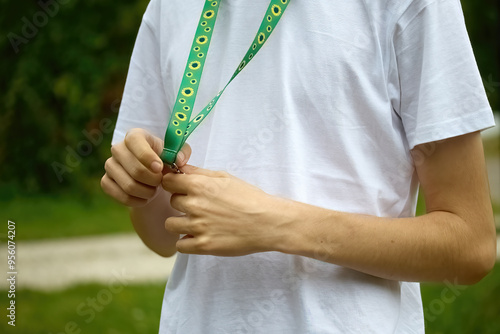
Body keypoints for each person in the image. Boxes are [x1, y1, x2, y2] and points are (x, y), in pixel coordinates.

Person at [101, 0, 497, 332]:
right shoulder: (169, 6)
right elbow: (162, 238)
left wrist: (275, 225)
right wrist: (142, 187)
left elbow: (470, 245)